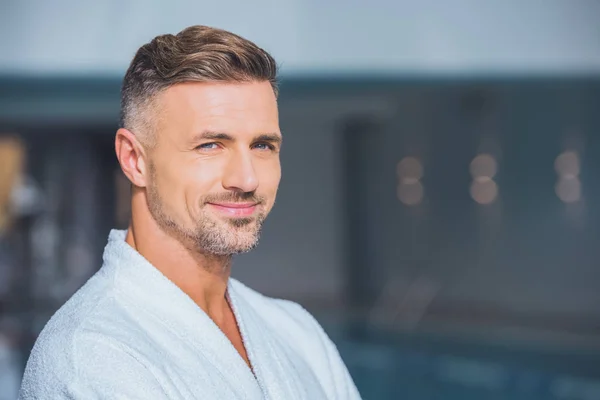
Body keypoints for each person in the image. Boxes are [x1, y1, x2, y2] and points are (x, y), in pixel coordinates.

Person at [18, 25, 361, 399]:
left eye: (262, 145)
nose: (246, 179)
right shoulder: (91, 358)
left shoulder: (297, 332)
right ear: (134, 160)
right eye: (211, 145)